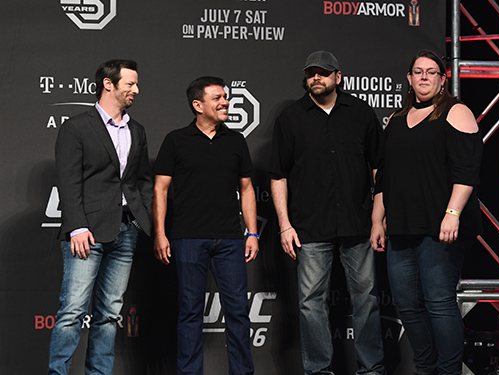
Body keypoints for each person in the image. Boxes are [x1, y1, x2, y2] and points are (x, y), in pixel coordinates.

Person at [270, 50, 386, 375]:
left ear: (338, 76)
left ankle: (372, 369)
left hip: (358, 224)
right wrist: (284, 225)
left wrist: (379, 217)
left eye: (323, 72)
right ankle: (319, 371)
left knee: (367, 299)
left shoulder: (361, 113)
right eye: (311, 73)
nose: (316, 78)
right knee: (310, 302)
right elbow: (278, 175)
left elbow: (380, 169)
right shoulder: (291, 118)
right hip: (309, 226)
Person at [370, 49, 483, 375]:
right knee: (407, 305)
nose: (424, 77)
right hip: (402, 226)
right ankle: (426, 368)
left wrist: (453, 213)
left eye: (431, 72)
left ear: (442, 78)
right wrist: (378, 219)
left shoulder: (455, 111)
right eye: (418, 71)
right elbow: (384, 177)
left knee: (439, 301)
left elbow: (467, 172)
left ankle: (449, 371)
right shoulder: (395, 120)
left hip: (440, 226)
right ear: (409, 79)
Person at [49, 59, 153, 375]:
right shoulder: (77, 126)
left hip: (126, 231)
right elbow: (68, 181)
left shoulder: (137, 129)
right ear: (109, 84)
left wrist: (140, 217)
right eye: (130, 84)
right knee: (72, 311)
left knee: (109, 313)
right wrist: (77, 226)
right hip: (87, 233)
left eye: (136, 84)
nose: (136, 89)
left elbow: (142, 180)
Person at [153, 76, 258, 375]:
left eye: (225, 96)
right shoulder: (176, 140)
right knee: (189, 312)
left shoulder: (236, 140)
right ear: (198, 105)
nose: (225, 102)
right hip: (187, 238)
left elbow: (247, 188)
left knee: (238, 311)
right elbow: (160, 190)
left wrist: (252, 232)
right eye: (217, 98)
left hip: (230, 239)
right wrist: (160, 233)